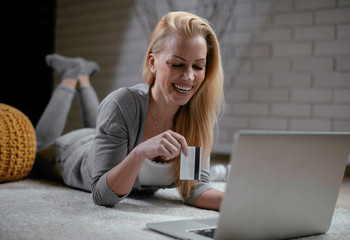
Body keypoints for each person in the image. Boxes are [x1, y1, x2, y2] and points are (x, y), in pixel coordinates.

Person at [34, 11, 225, 210]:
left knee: (107, 124)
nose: (189, 77)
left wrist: (242, 202)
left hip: (106, 136)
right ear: (152, 63)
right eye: (177, 64)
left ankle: (82, 76)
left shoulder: (197, 113)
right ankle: (71, 76)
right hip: (70, 153)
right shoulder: (123, 103)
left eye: (198, 66)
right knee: (34, 152)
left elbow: (193, 189)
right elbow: (102, 194)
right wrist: (139, 152)